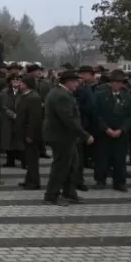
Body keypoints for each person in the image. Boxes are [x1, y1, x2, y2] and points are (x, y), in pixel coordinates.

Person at [43, 70, 93, 206]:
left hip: (66, 136)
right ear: (69, 82)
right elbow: (68, 119)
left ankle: (69, 193)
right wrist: (84, 134)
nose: (78, 84)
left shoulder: (61, 92)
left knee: (72, 165)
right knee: (60, 167)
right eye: (76, 82)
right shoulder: (61, 95)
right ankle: (51, 195)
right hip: (61, 136)